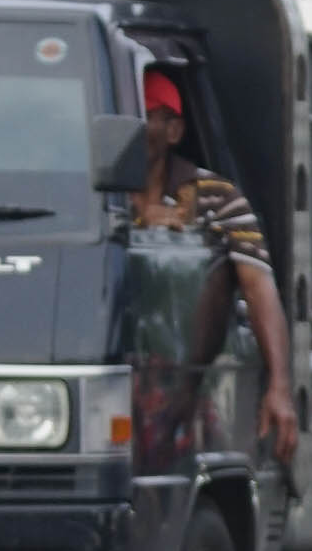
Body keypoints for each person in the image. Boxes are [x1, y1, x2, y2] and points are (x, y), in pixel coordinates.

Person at [128, 63, 299, 467]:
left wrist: (279, 386)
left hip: (192, 380)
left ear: (173, 131)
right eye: (125, 115)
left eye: (144, 115)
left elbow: (258, 287)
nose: (131, 128)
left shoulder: (215, 197)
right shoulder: (97, 197)